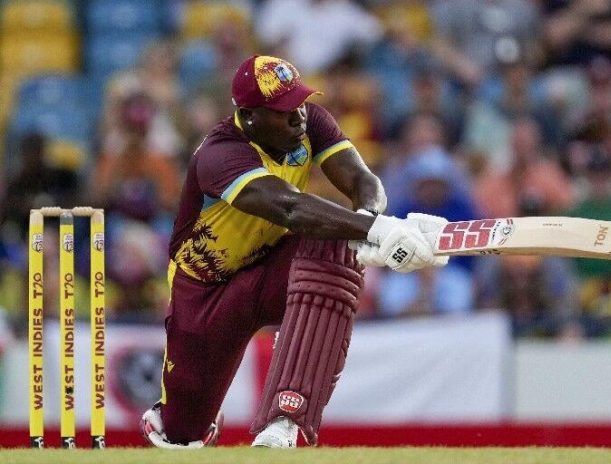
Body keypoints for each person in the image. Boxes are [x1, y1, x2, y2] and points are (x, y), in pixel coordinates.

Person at [139, 54, 448, 449]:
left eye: (299, 102)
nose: (299, 116)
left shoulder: (311, 122)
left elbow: (361, 179)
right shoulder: (220, 155)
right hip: (205, 293)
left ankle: (285, 420)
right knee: (182, 434)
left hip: (272, 265)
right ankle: (183, 417)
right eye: (284, 110)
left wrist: (372, 221)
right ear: (249, 116)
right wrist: (379, 230)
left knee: (337, 247)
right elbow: (289, 207)